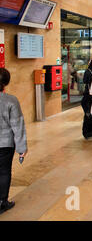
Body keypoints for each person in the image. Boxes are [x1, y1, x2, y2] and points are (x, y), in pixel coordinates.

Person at [0, 68, 27, 215]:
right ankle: (2, 202)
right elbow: (18, 125)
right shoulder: (11, 100)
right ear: (6, 82)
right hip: (5, 144)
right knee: (4, 172)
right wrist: (22, 148)